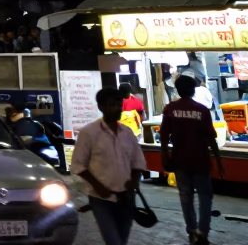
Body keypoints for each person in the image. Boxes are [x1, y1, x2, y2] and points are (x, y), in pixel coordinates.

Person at [70, 88, 148, 245]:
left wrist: (134, 181)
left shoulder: (127, 132)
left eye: (119, 104)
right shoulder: (88, 133)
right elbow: (78, 165)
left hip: (126, 198)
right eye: (112, 104)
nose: (117, 108)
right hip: (101, 199)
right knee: (113, 241)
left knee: (122, 239)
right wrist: (98, 187)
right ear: (101, 107)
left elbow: (137, 161)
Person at [160, 75, 225, 245]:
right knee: (205, 197)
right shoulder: (202, 110)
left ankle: (191, 231)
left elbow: (164, 136)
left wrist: (164, 157)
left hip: (180, 161)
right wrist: (219, 162)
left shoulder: (170, 109)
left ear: (178, 90)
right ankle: (202, 232)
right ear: (193, 90)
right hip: (201, 161)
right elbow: (211, 138)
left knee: (185, 197)